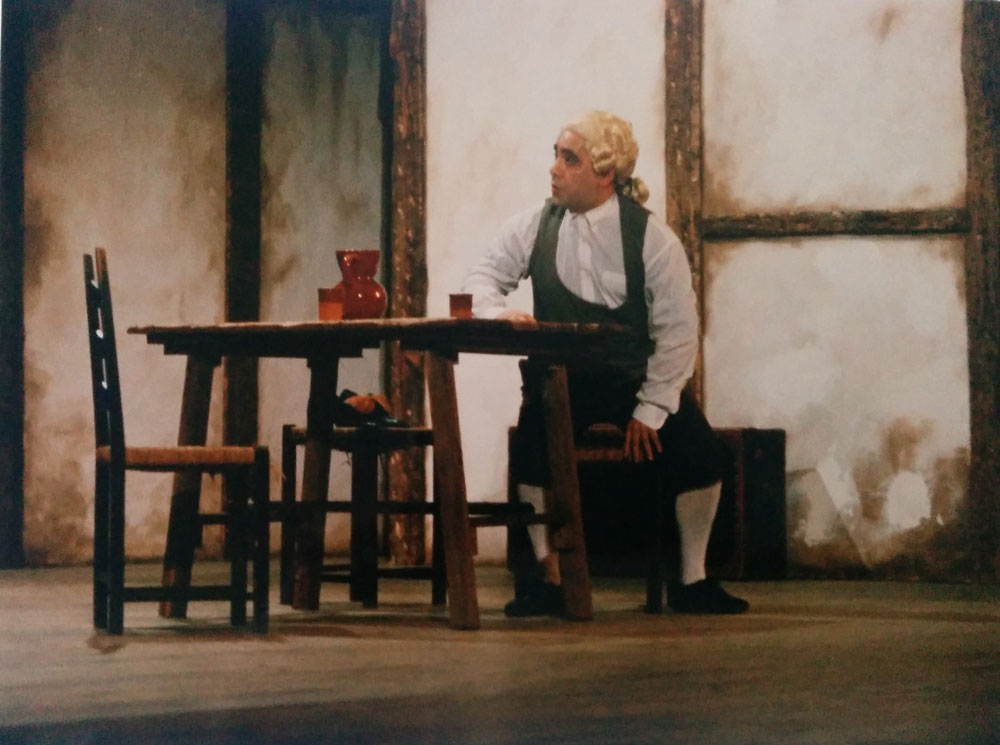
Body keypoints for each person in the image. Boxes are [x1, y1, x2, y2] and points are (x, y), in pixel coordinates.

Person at [463, 110, 749, 616]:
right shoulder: (536, 225)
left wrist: (651, 409)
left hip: (629, 383)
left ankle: (692, 579)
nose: (554, 168)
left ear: (605, 174)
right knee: (531, 451)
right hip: (560, 383)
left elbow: (679, 330)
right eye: (556, 155)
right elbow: (483, 275)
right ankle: (547, 579)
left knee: (701, 452)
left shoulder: (651, 238)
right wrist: (497, 312)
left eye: (569, 159)